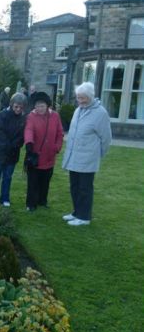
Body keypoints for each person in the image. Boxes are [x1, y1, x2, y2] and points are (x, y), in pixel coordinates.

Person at [62, 82, 112, 226]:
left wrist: (98, 154)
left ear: (90, 96)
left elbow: (106, 138)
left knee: (85, 188)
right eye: (78, 97)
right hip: (74, 157)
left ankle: (84, 217)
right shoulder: (78, 110)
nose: (80, 101)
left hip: (88, 158)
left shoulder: (100, 113)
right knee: (74, 186)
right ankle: (77, 212)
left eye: (83, 98)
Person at [0, 92, 27, 207]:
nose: (18, 109)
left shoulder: (23, 118)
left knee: (7, 177)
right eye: (16, 106)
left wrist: (15, 144)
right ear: (12, 104)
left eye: (21, 107)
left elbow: (22, 136)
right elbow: (0, 132)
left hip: (13, 153)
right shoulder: (3, 115)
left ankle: (4, 198)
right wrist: (9, 145)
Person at [24, 92, 64, 211]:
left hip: (49, 155)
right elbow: (28, 129)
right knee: (33, 181)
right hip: (35, 155)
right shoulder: (31, 116)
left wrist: (57, 147)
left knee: (45, 180)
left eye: (42, 105)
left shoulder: (55, 116)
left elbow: (60, 133)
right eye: (37, 106)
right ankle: (31, 204)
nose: (39, 108)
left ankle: (42, 201)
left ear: (47, 106)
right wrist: (29, 143)